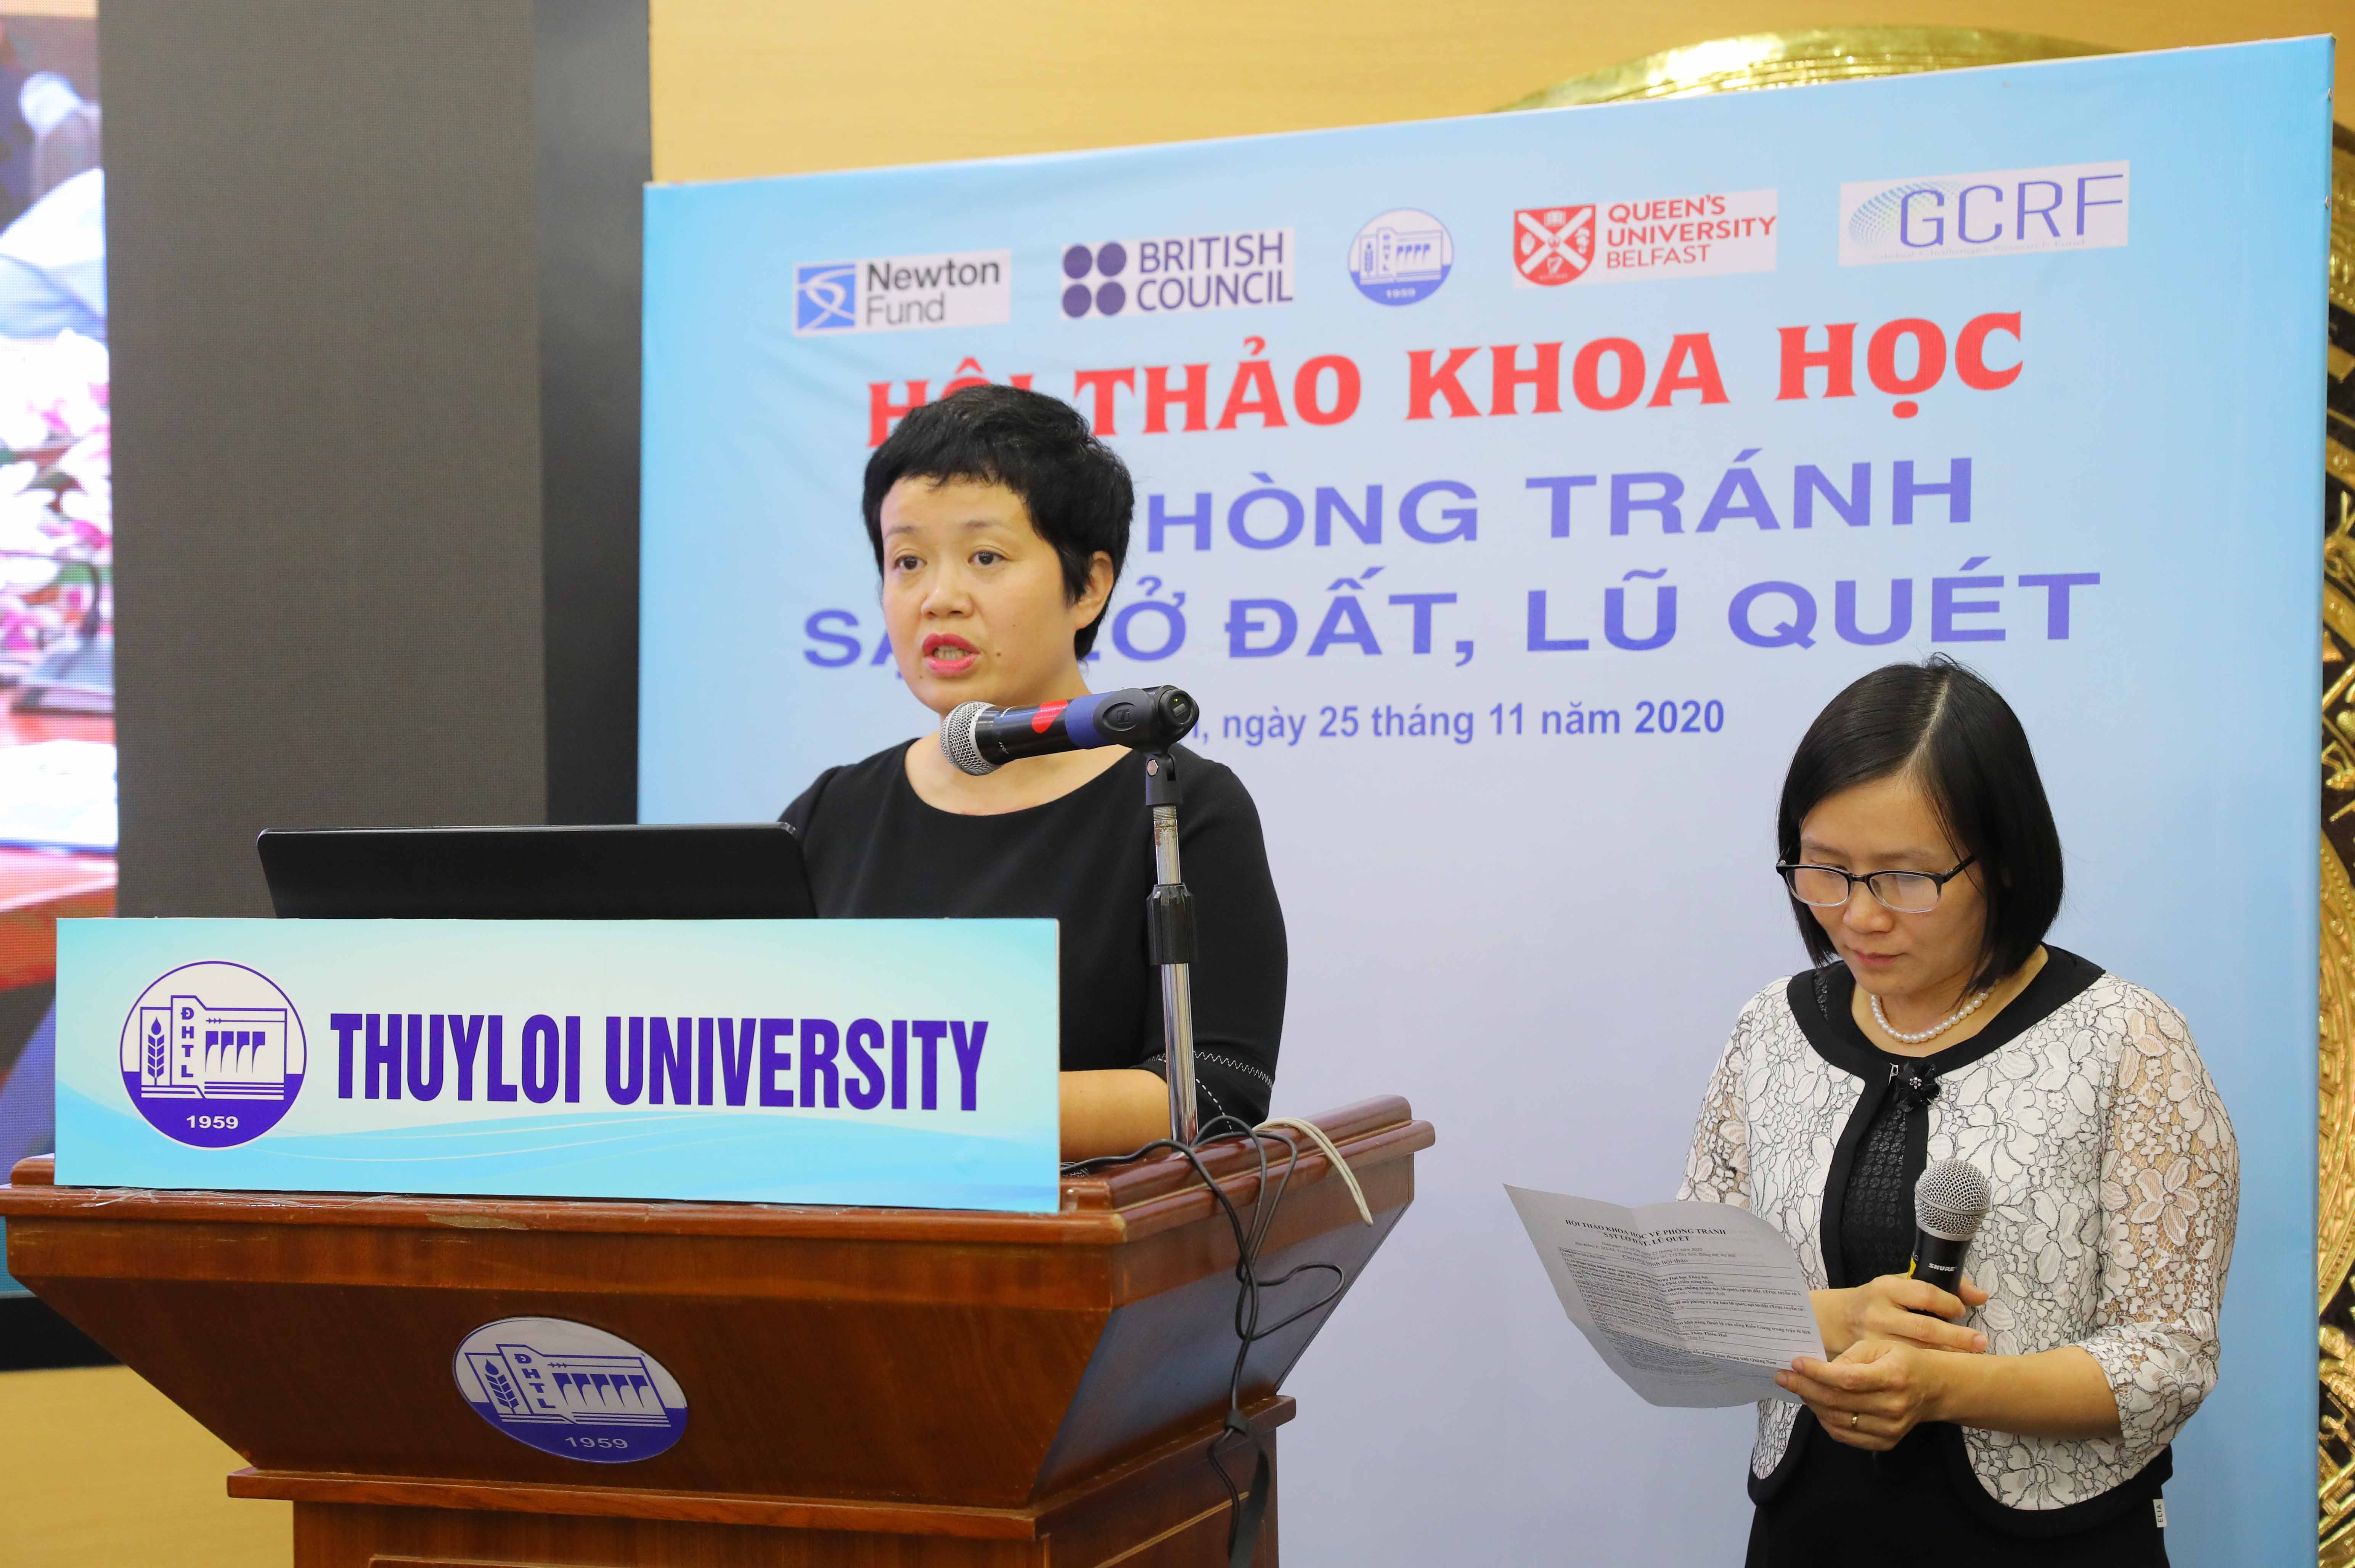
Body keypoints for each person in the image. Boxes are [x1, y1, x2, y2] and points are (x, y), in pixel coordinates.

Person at [1680, 657, 2237, 1565]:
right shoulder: (1772, 1028)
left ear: (2005, 861)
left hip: (2050, 1540)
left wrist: (1943, 1387)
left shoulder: (2127, 1041)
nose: (1859, 917)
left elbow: (2168, 1358)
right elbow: (1698, 1291)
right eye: (1825, 870)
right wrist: (1832, 1318)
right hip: (1809, 1530)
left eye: (1904, 878)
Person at [781, 384, 1284, 1160]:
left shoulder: (1179, 808)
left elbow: (1217, 1094)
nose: (939, 599)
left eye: (985, 557)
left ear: (1089, 586)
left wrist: (929, 1101)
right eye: (907, 561)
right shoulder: (831, 812)